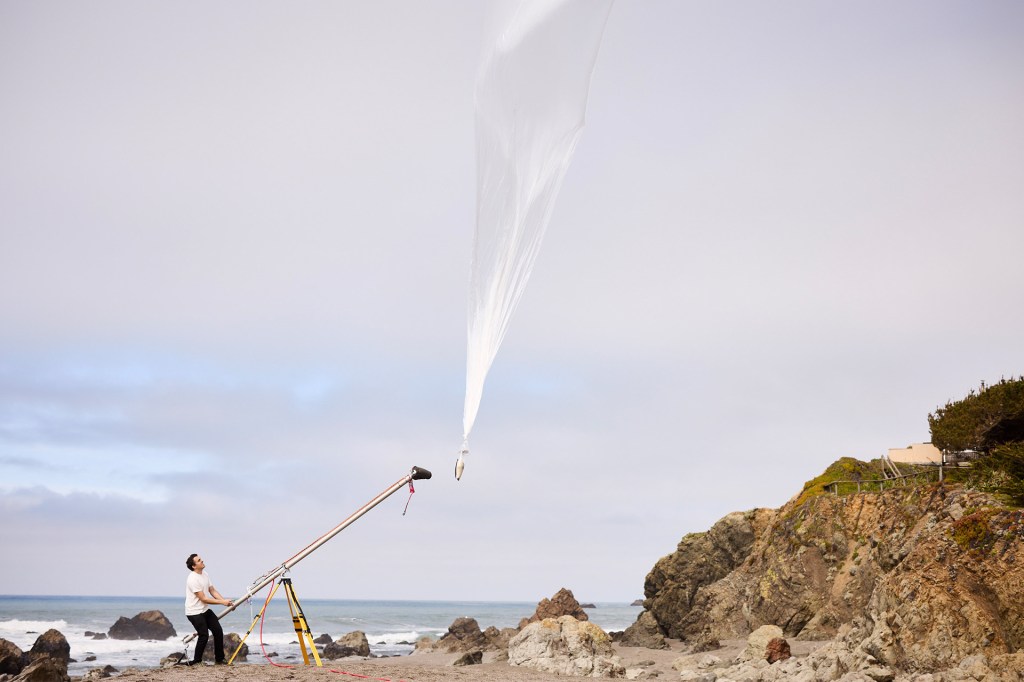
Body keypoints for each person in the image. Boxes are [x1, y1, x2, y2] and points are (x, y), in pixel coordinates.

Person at [184, 553, 233, 666]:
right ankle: (197, 661)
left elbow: (212, 590)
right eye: (199, 560)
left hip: (204, 610)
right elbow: (203, 599)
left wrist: (225, 602)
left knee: (218, 631)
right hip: (194, 612)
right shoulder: (192, 579)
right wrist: (222, 602)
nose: (202, 561)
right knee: (204, 635)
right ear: (194, 566)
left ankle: (219, 660)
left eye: (201, 559)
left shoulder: (205, 574)